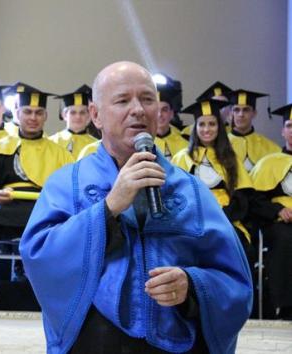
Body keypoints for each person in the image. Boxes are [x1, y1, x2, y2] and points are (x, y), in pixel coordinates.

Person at [20, 62, 252, 353]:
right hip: (95, 342)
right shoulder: (68, 184)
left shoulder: (192, 191)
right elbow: (38, 257)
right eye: (122, 100)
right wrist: (108, 208)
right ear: (96, 115)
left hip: (174, 342)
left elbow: (235, 283)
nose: (138, 109)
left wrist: (192, 286)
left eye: (147, 99)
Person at [0, 84, 74, 310]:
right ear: (16, 113)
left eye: (38, 113)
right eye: (28, 112)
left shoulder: (60, 154)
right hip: (8, 207)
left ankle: (60, 299)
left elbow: (69, 191)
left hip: (45, 210)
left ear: (46, 117)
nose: (33, 117)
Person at [171, 99, 255, 256]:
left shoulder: (230, 158)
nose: (206, 129)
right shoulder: (182, 158)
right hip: (191, 219)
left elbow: (242, 196)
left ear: (219, 127)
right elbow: (175, 195)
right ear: (195, 128)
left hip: (226, 218)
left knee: (234, 242)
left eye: (212, 124)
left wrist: (222, 215)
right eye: (201, 124)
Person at [249, 103, 292, 320]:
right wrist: (278, 210)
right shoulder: (269, 162)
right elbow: (255, 199)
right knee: (284, 239)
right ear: (283, 131)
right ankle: (284, 306)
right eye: (290, 125)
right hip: (280, 223)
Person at [226, 89, 280, 172]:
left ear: (254, 113)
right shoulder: (221, 144)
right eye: (236, 110)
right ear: (230, 114)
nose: (241, 114)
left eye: (246, 110)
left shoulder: (271, 148)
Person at [49, 85, 98, 159]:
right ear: (64, 115)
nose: (78, 117)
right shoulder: (52, 142)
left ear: (88, 116)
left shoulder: (96, 145)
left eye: (82, 113)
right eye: (73, 112)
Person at [154, 85, 187, 160]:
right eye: (156, 110)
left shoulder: (185, 142)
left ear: (171, 113)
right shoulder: (141, 143)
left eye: (164, 110)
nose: (160, 115)